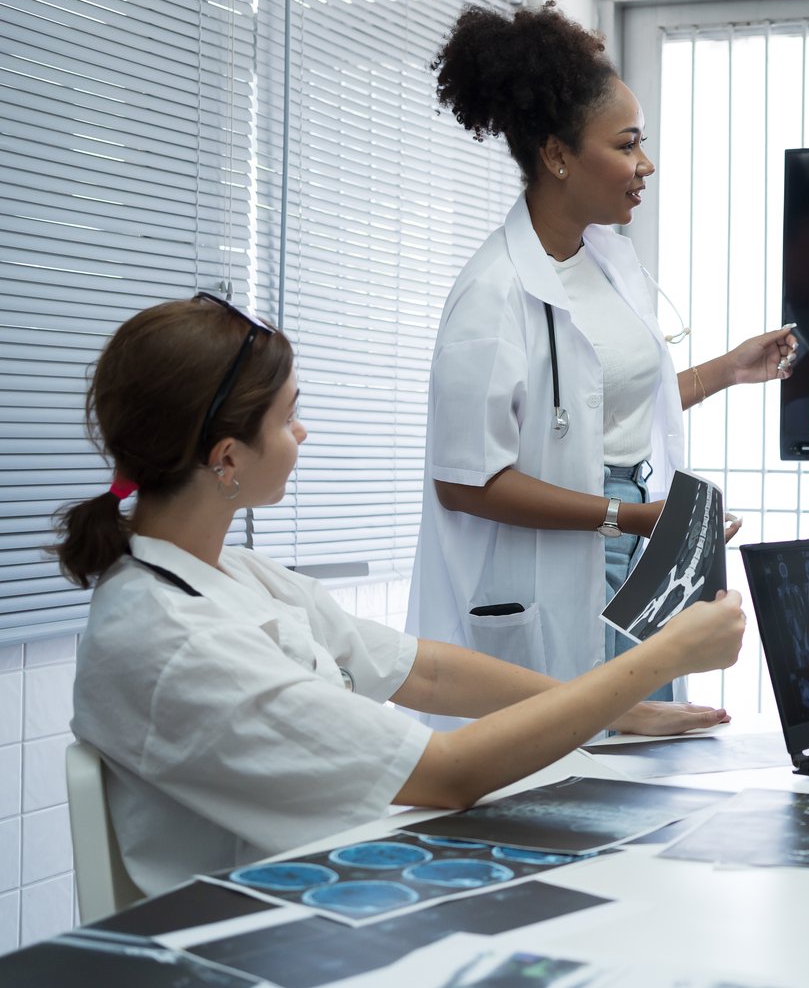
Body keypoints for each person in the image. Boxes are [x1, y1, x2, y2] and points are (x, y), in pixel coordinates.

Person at [57, 296, 746, 897]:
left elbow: (427, 671)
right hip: (284, 931)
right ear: (227, 457)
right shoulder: (173, 640)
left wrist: (620, 709)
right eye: (288, 417)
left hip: (343, 881)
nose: (303, 434)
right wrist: (658, 660)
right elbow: (444, 773)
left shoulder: (232, 576)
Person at [411, 1, 795, 706]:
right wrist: (627, 516)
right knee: (583, 761)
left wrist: (727, 371)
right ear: (557, 155)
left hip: (638, 535)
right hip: (586, 542)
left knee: (650, 749)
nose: (643, 165)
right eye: (625, 145)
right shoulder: (493, 294)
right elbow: (464, 482)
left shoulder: (608, 261)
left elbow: (598, 408)